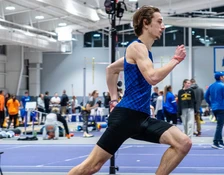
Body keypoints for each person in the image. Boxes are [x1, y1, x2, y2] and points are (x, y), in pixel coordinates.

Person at [67, 5, 191, 175]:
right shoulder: (136, 47)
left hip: (141, 118)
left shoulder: (144, 52)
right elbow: (153, 78)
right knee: (92, 166)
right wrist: (175, 59)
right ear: (146, 23)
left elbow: (111, 69)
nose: (163, 26)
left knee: (183, 143)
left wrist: (113, 99)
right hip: (125, 117)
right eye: (159, 22)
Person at [205, 72, 224, 149]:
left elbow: (206, 96)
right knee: (219, 126)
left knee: (219, 124)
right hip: (221, 107)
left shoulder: (211, 86)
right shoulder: (223, 86)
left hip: (214, 108)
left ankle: (220, 141)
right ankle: (215, 142)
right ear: (221, 77)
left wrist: (210, 103)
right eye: (223, 76)